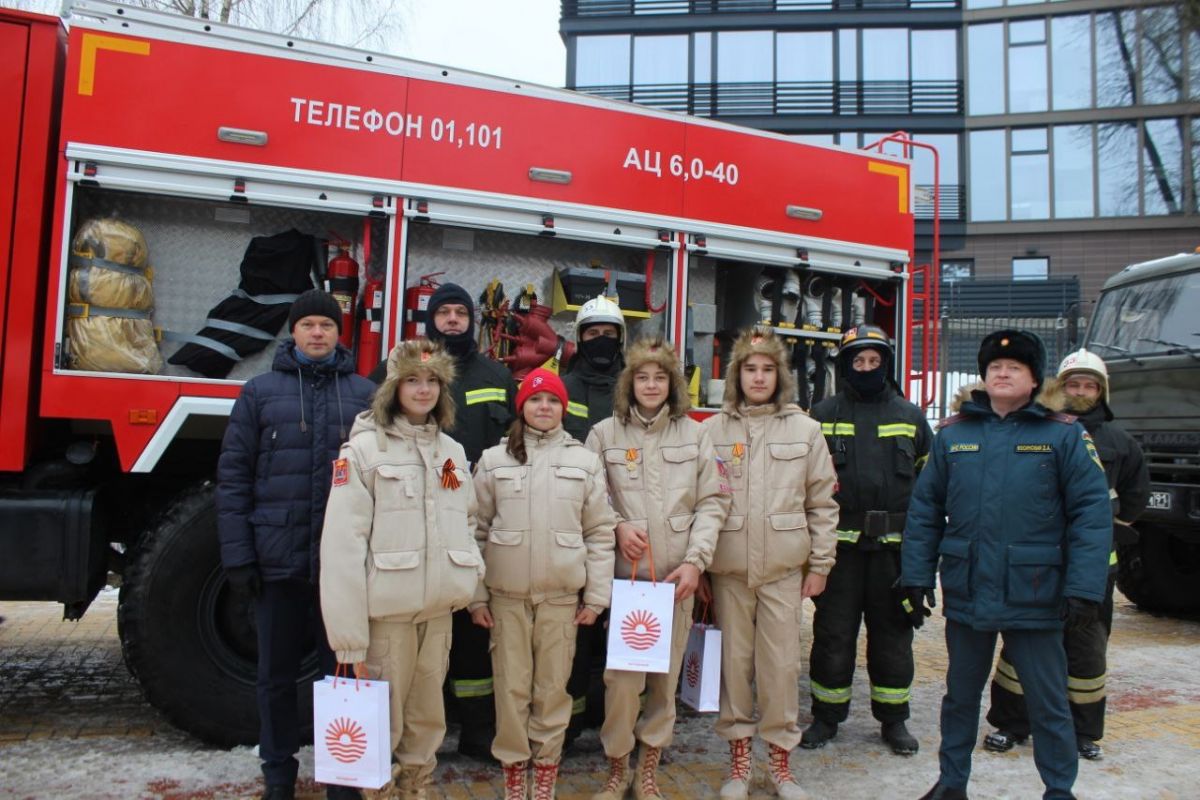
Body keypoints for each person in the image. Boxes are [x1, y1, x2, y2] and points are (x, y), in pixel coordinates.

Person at [901, 329, 1113, 800]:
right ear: (982, 376)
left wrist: (1084, 590)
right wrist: (915, 575)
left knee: (1048, 701)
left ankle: (1059, 789)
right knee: (959, 698)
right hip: (969, 591)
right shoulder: (954, 434)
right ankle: (951, 783)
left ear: (1034, 379)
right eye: (995, 367)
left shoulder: (1063, 434)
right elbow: (925, 510)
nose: (1002, 373)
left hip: (1036, 593)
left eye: (1014, 367)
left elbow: (1092, 518)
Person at [217, 288, 376, 800]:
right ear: (294, 331)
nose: (316, 333)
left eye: (326, 326)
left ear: (339, 333)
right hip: (278, 564)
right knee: (276, 678)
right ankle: (279, 776)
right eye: (307, 324)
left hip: (342, 571)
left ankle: (343, 782)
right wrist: (239, 557)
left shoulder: (364, 395)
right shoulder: (259, 393)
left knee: (344, 678)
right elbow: (234, 479)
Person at [320, 339, 484, 800]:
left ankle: (418, 788)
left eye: (433, 381)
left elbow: (466, 519)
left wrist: (470, 580)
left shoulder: (450, 450)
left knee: (428, 721)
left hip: (437, 616)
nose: (423, 389)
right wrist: (349, 638)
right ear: (393, 387)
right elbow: (341, 546)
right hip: (386, 620)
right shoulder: (364, 451)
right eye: (412, 379)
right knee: (381, 725)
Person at [371, 281, 517, 759]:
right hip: (413, 517)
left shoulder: (497, 375)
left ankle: (476, 730)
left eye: (460, 312)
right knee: (417, 631)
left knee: (475, 626)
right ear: (428, 320)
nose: (452, 319)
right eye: (443, 313)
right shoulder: (404, 371)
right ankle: (405, 741)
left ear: (472, 319)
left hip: (473, 519)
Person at [983, 348, 1149, 761]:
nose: (1080, 391)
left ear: (1102, 392)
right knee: (1022, 645)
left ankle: (1082, 731)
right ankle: (1012, 723)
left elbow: (1135, 499)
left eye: (1089, 385)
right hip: (1038, 563)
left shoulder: (1120, 442)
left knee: (1086, 650)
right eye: (1073, 383)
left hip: (1094, 568)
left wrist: (1104, 524)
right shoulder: (1039, 430)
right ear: (1059, 386)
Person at [585, 338, 730, 800]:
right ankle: (617, 770)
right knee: (621, 684)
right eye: (643, 377)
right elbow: (589, 500)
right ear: (630, 382)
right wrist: (615, 527)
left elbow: (714, 502)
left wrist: (695, 563)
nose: (651, 385)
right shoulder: (603, 435)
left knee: (665, 683)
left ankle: (648, 770)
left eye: (660, 377)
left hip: (675, 584)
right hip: (627, 585)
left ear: (673, 385)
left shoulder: (696, 435)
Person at [701, 327, 839, 800]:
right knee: (734, 667)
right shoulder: (711, 431)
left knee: (780, 668)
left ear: (780, 376)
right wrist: (698, 566)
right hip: (729, 571)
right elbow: (697, 503)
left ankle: (781, 764)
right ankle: (739, 763)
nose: (758, 377)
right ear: (735, 376)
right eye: (749, 369)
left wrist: (820, 564)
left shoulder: (805, 430)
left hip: (783, 571)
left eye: (767, 369)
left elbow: (822, 502)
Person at [470, 368, 616, 800]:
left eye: (552, 401)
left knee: (553, 691)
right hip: (506, 598)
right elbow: (474, 531)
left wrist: (597, 596)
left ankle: (546, 772)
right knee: (511, 688)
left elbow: (600, 533)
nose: (544, 408)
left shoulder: (584, 462)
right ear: (522, 409)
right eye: (535, 400)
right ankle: (516, 773)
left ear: (563, 409)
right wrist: (477, 596)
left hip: (560, 599)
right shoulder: (494, 461)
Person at [802, 325, 932, 755]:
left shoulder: (910, 417)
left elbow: (931, 491)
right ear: (845, 367)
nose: (867, 368)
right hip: (839, 554)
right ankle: (826, 717)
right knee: (833, 636)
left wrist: (923, 560)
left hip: (894, 553)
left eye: (875, 361)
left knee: (893, 637)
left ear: (887, 365)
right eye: (858, 361)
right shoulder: (821, 415)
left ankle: (894, 721)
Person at [560, 294, 626, 744]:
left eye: (609, 335)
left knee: (622, 633)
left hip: (630, 531)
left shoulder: (635, 386)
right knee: (577, 633)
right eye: (592, 334)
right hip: (575, 528)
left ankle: (618, 722)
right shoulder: (561, 388)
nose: (600, 341)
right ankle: (572, 721)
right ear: (579, 339)